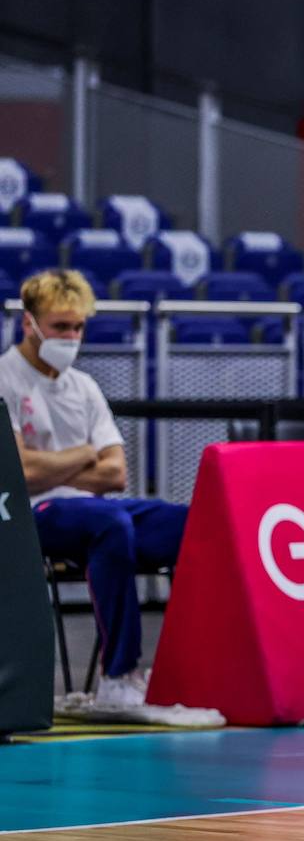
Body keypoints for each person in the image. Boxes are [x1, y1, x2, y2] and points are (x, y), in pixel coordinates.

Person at [0, 269, 188, 708]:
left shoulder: (84, 386)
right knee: (111, 521)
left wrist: (54, 464)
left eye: (78, 326)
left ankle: (188, 665)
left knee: (189, 523)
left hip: (95, 512)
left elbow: (115, 475)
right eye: (59, 326)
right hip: (31, 517)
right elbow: (19, 474)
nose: (71, 335)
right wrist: (86, 453)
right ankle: (117, 676)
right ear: (30, 323)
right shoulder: (5, 378)